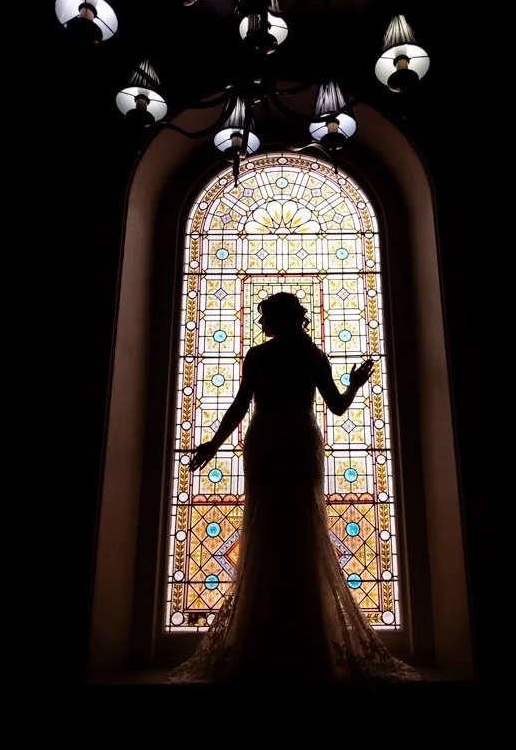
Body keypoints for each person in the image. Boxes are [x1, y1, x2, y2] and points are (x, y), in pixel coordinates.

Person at [168, 292, 422, 686]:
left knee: (267, 528)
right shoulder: (314, 355)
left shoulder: (260, 356)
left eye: (264, 315)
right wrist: (354, 385)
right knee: (301, 530)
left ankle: (262, 636)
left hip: (268, 440)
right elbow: (337, 406)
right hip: (301, 443)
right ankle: (310, 639)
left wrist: (213, 445)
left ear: (281, 318)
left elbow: (240, 406)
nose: (259, 323)